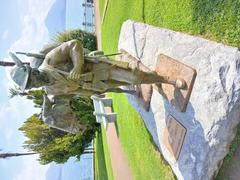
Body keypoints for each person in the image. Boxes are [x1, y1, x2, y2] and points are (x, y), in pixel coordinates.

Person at [9, 39, 185, 96]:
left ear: (31, 72)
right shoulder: (50, 90)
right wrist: (92, 93)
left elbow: (73, 45)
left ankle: (166, 79)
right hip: (96, 86)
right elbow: (74, 92)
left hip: (97, 69)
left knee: (135, 78)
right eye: (30, 87)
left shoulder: (51, 61)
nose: (34, 85)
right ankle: (154, 78)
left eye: (30, 81)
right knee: (133, 80)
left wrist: (77, 67)